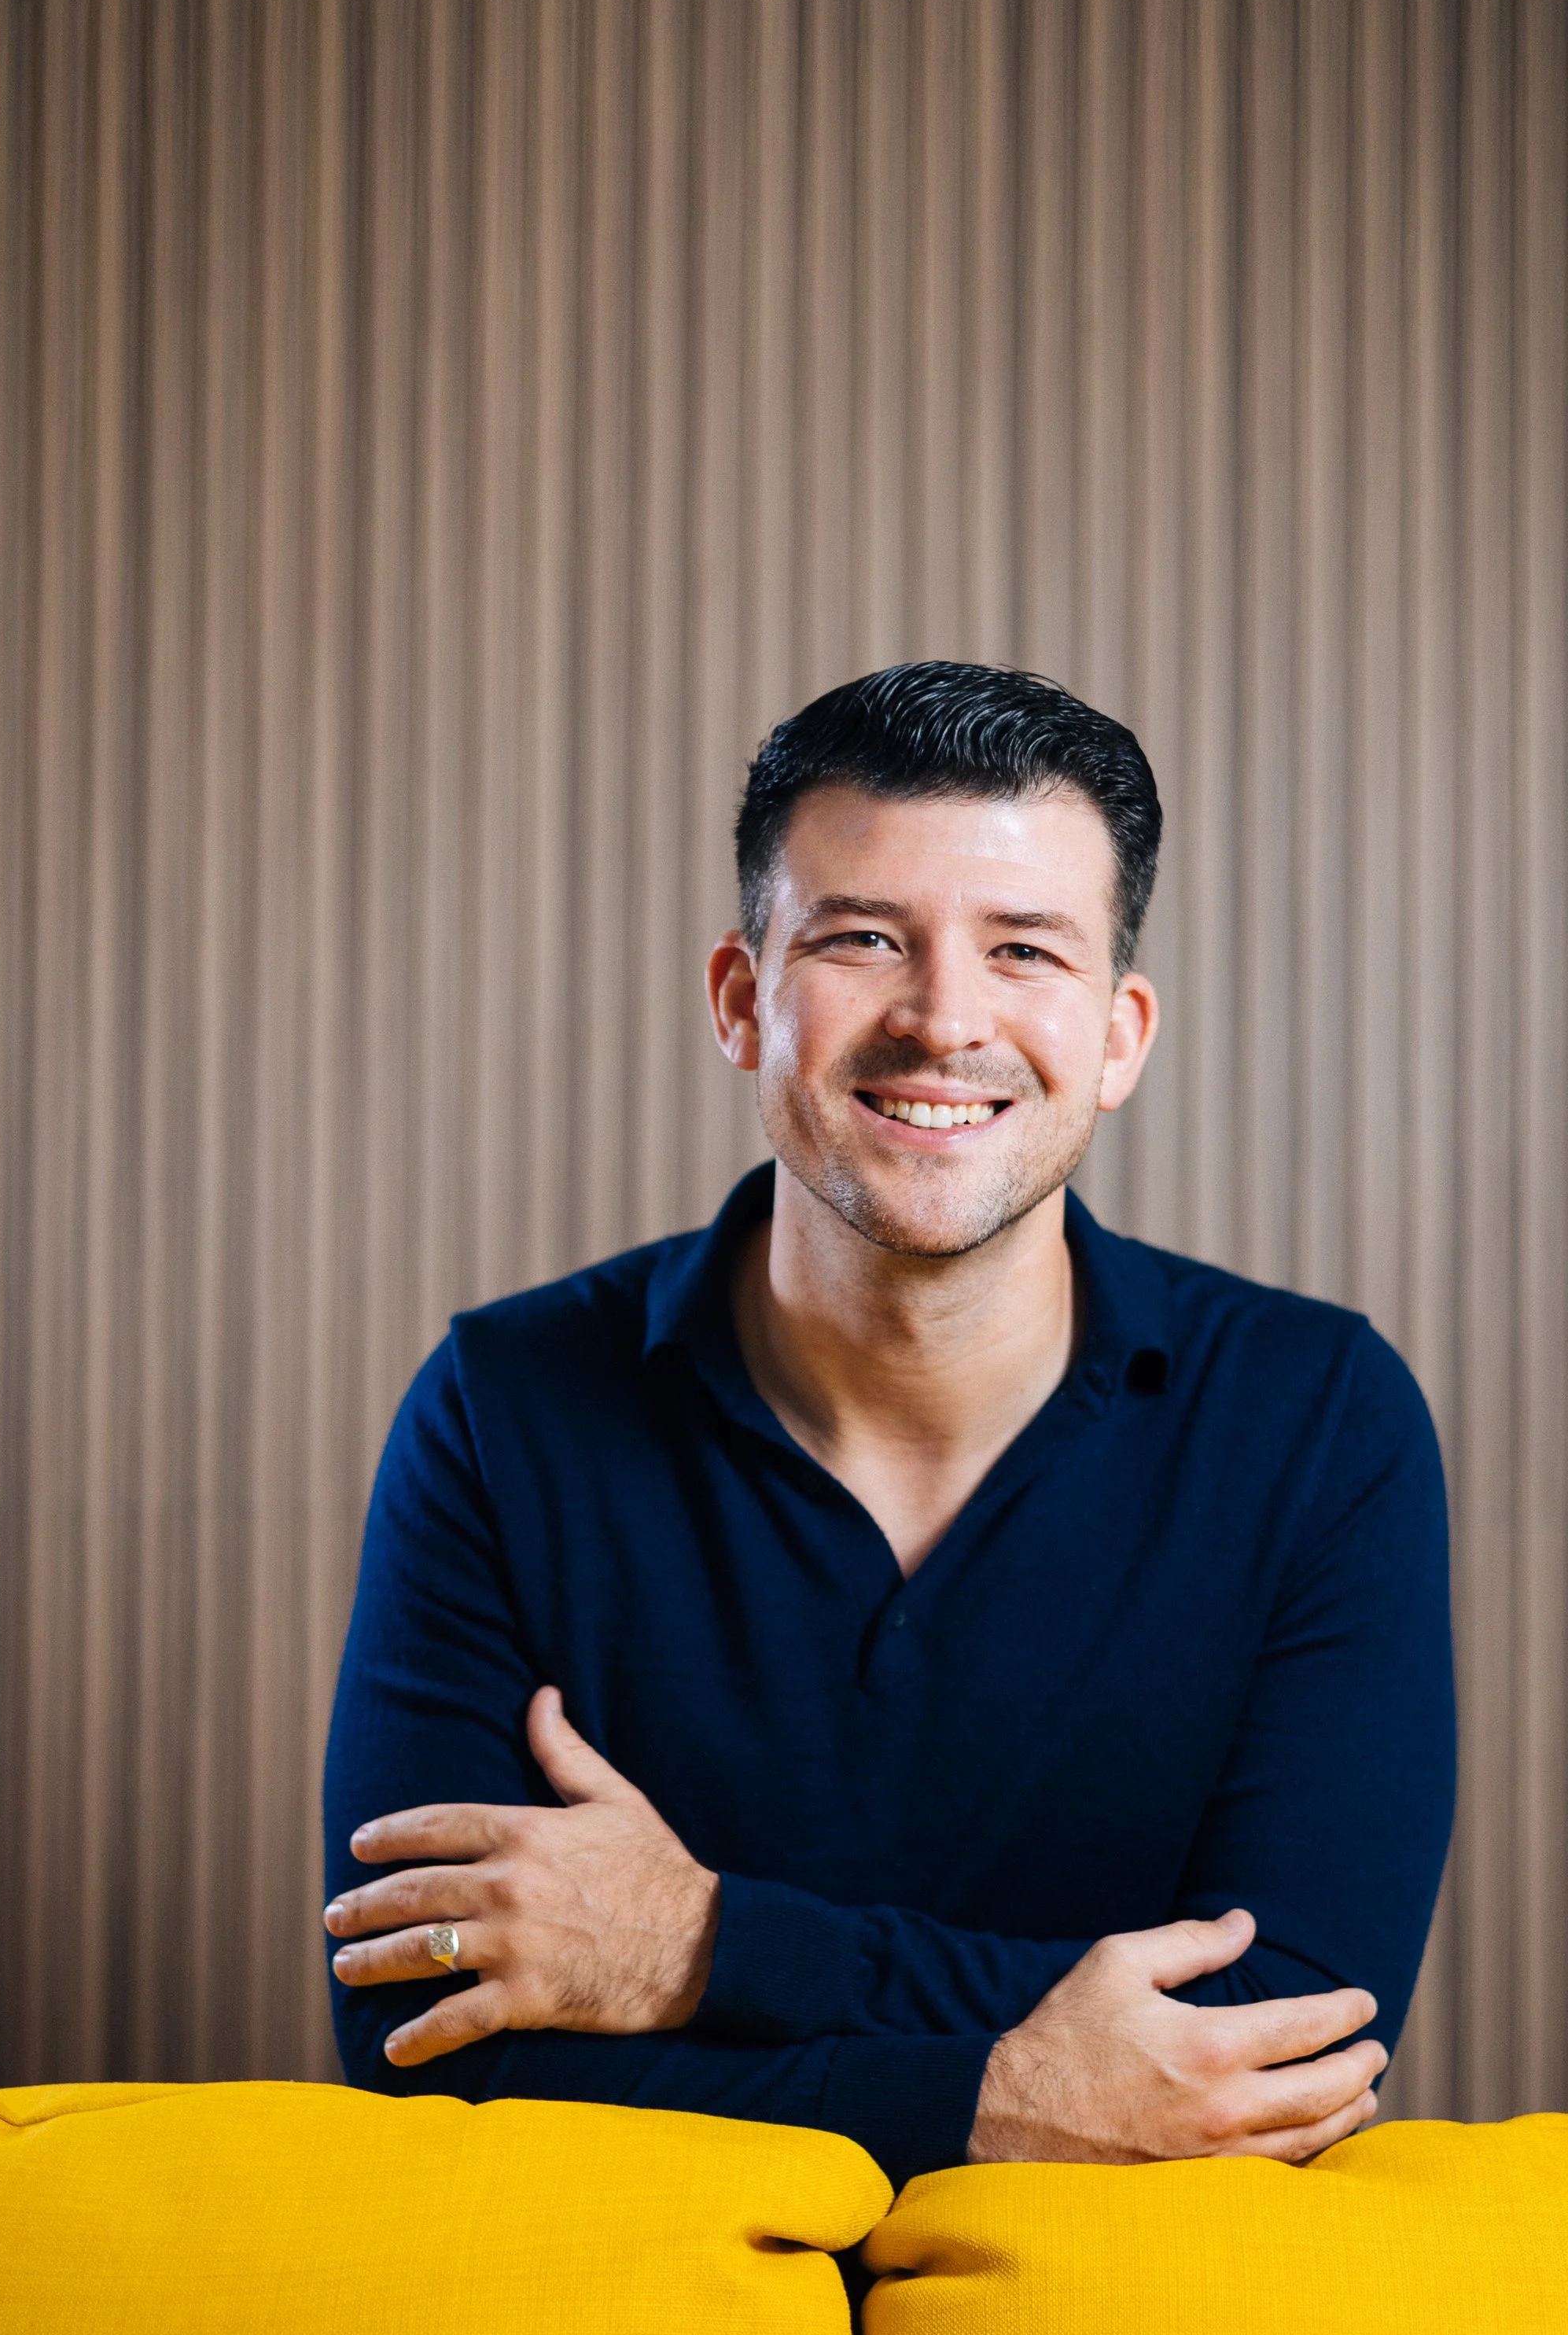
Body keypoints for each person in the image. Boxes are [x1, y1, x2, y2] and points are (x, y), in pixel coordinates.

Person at [322, 664, 1454, 2188]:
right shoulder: (501, 1406)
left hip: (1112, 2314)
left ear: (1118, 1037)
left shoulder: (1317, 1419)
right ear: (743, 1001)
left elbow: (1282, 2033)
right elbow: (423, 2040)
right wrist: (989, 2102)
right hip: (637, 2310)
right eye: (862, 938)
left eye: (1023, 950)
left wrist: (702, 1944)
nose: (942, 1020)